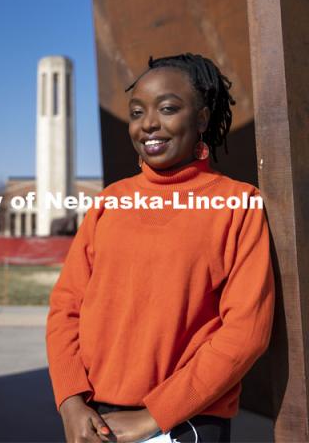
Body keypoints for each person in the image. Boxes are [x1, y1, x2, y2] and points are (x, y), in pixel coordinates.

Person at [45, 52, 275, 443]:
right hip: (94, 419)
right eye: (137, 112)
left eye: (167, 108)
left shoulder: (238, 204)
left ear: (201, 119)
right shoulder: (109, 202)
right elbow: (65, 308)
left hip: (188, 422)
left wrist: (154, 416)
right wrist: (70, 401)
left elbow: (247, 332)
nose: (148, 123)